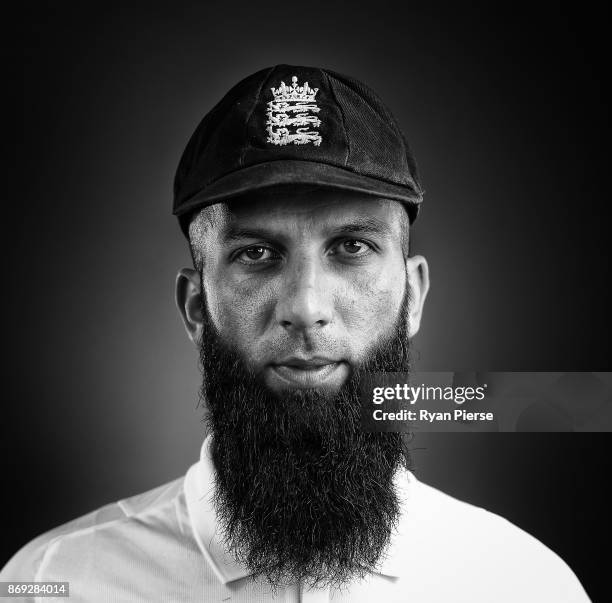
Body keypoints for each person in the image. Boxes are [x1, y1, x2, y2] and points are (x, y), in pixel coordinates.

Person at [1, 64, 590, 602]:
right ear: (195, 307)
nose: (306, 307)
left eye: (352, 247)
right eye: (257, 253)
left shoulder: (523, 583)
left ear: (414, 296)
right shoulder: (50, 582)